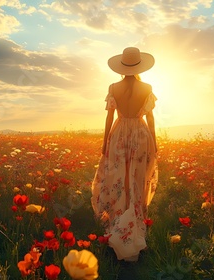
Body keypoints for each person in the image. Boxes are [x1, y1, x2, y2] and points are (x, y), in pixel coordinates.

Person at [91, 47, 158, 262]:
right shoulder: (146, 87)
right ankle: (134, 224)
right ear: (139, 65)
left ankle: (119, 222)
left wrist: (104, 143)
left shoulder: (113, 87)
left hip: (119, 134)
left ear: (122, 66)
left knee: (118, 177)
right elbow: (151, 119)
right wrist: (155, 143)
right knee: (136, 180)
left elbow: (109, 118)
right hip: (140, 134)